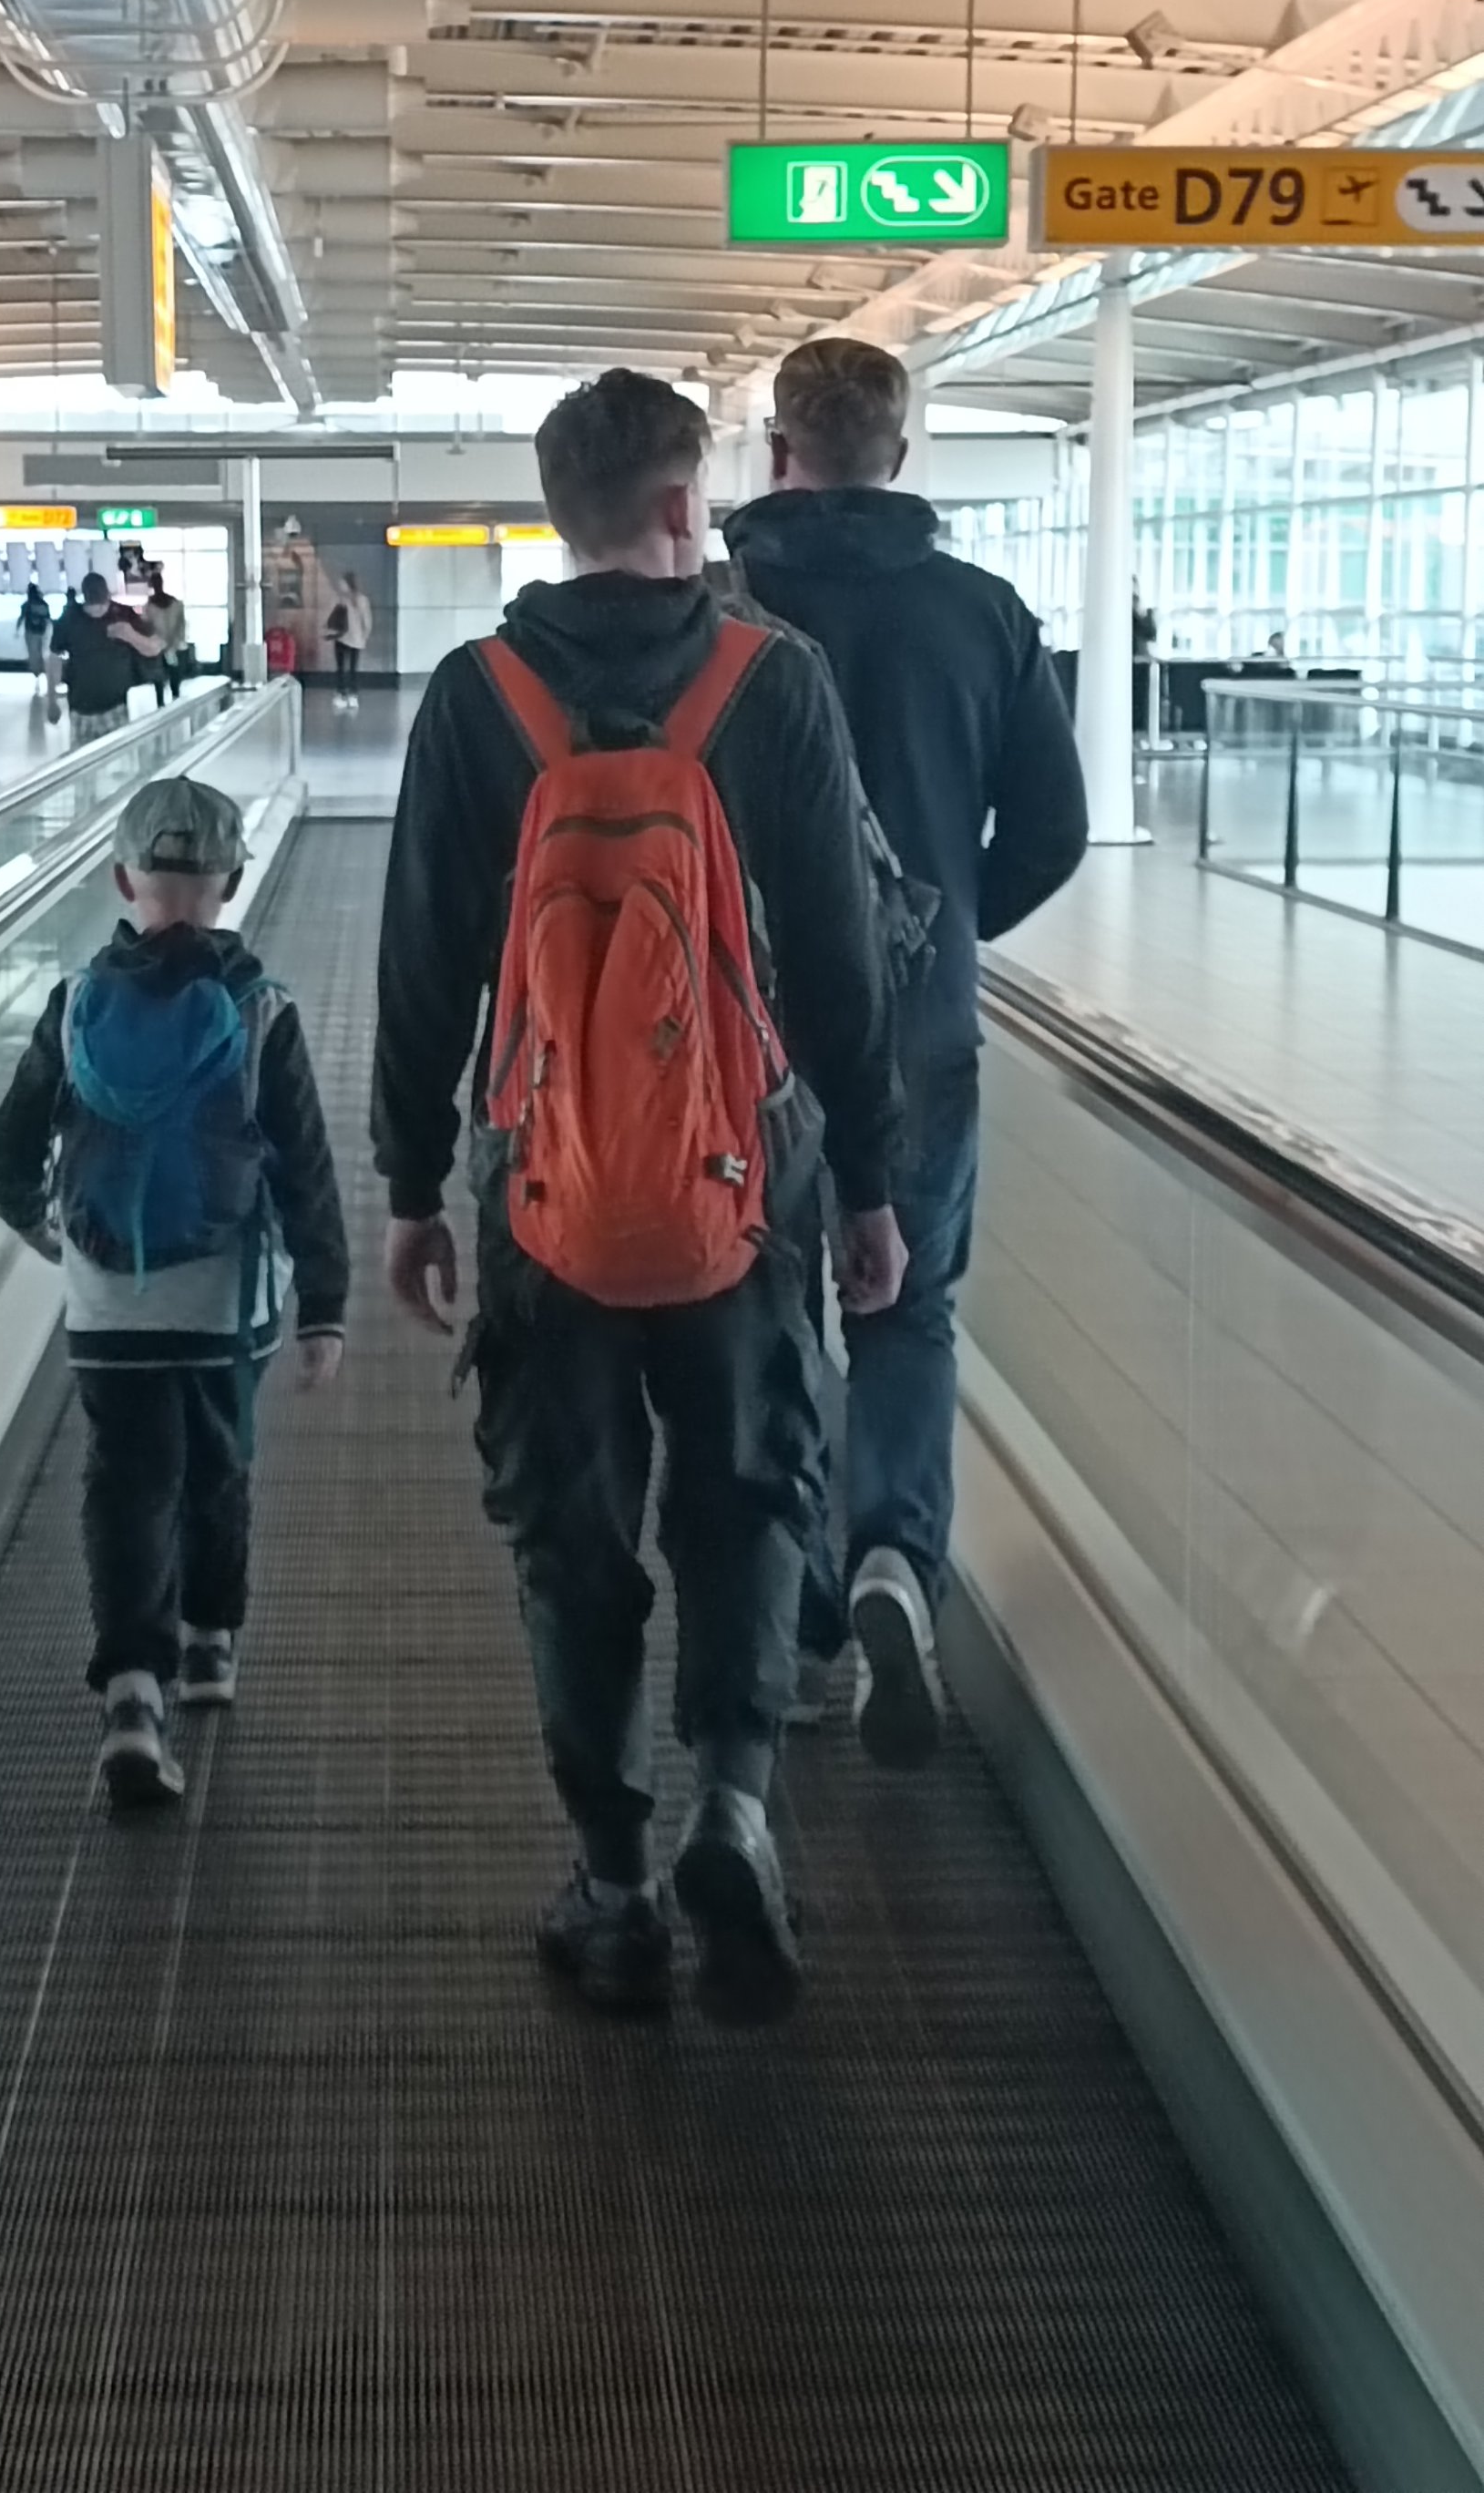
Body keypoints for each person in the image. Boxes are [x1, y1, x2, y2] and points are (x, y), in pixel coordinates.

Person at [374, 368, 905, 2024]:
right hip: (747, 1176)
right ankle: (732, 1807)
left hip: (542, 1184)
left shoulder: (476, 696)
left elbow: (421, 960)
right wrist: (871, 1186)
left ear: (560, 513)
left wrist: (409, 1185)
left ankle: (611, 1888)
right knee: (749, 1489)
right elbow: (840, 968)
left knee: (570, 1526)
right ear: (685, 506)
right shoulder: (778, 681)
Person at [722, 337, 1088, 1770]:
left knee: (766, 1321)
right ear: (899, 451)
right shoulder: (982, 613)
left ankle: (800, 1632)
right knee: (906, 1310)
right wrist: (939, 930)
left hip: (742, 1039)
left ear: (778, 452)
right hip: (915, 1030)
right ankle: (892, 1558)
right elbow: (1051, 829)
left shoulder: (718, 614)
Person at [0, 776, 349, 1810]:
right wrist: (324, 1305)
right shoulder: (262, 1009)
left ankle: (133, 1693)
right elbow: (307, 1170)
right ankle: (209, 1640)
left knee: (126, 1481)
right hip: (227, 1302)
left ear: (120, 880)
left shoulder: (76, 1005)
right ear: (228, 885)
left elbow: (5, 1148)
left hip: (110, 1301)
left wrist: (42, 1227)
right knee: (216, 1466)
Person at [49, 570, 164, 744]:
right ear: (85, 601)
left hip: (115, 707)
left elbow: (154, 648)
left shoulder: (123, 614)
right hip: (80, 710)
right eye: (92, 608)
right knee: (84, 759)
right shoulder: (71, 618)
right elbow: (54, 658)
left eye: (102, 607)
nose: (98, 612)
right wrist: (51, 700)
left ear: (108, 598)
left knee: (118, 759)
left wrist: (130, 635)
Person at [326, 572, 372, 709]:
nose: (340, 585)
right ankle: (353, 696)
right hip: (356, 640)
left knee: (341, 668)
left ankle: (341, 694)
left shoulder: (341, 600)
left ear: (348, 584)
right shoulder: (362, 600)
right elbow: (367, 621)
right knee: (353, 669)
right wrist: (364, 637)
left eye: (342, 583)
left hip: (341, 638)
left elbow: (333, 618)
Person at [144, 567, 192, 698]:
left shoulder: (150, 607)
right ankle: (174, 696)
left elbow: (147, 627)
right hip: (171, 646)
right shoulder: (175, 604)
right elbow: (181, 626)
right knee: (172, 672)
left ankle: (163, 700)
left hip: (160, 646)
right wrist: (174, 642)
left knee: (160, 675)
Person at [18, 580, 53, 689]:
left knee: (33, 653)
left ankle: (36, 672)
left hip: (30, 631)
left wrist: (17, 629)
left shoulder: (26, 605)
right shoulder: (43, 604)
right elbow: (48, 618)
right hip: (42, 631)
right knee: (42, 651)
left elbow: (21, 618)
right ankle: (43, 671)